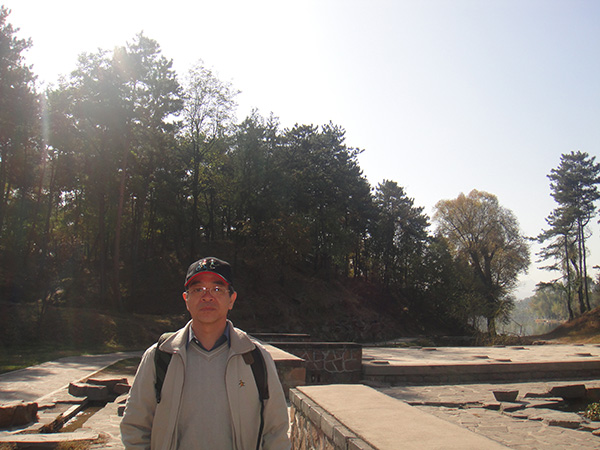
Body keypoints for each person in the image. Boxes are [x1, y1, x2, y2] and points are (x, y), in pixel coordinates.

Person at [120, 257, 291, 450]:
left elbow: (276, 432)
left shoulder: (255, 358)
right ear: (186, 299)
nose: (207, 296)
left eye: (217, 289)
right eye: (197, 289)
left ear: (231, 299)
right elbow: (135, 427)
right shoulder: (160, 357)